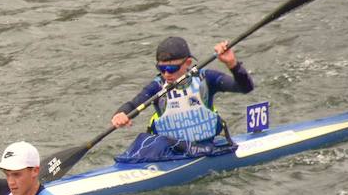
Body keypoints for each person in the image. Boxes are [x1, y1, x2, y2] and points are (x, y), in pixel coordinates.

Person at [109, 35, 255, 158]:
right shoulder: (157, 87)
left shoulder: (206, 79)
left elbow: (245, 88)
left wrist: (232, 64)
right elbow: (134, 104)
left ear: (188, 63)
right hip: (171, 153)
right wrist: (120, 114)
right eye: (161, 68)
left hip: (206, 147)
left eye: (172, 68)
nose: (166, 74)